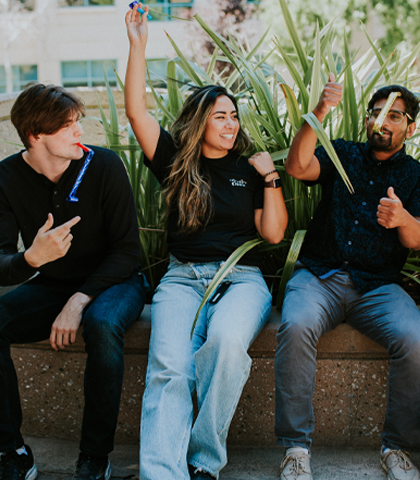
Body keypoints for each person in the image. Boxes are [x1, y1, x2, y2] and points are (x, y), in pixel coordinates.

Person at [123, 6, 288, 479]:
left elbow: (274, 234)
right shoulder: (175, 161)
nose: (231, 124)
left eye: (234, 116)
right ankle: (162, 474)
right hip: (182, 279)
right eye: (221, 116)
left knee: (227, 345)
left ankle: (204, 461)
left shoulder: (246, 170)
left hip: (241, 280)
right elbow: (136, 110)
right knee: (170, 369)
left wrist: (270, 175)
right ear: (199, 121)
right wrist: (139, 46)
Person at [0, 83, 148, 480]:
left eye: (77, 122)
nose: (79, 132)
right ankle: (13, 452)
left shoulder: (103, 165)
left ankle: (94, 457)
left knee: (101, 325)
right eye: (67, 126)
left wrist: (79, 300)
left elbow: (127, 250)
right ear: (35, 135)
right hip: (52, 284)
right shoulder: (1, 180)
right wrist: (32, 257)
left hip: (115, 282)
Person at [278, 79, 420, 480]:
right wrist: (316, 115)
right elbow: (297, 166)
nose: (382, 121)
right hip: (319, 276)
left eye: (394, 115)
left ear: (411, 127)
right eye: (376, 112)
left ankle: (397, 448)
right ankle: (295, 449)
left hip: (378, 287)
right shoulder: (343, 153)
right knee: (296, 326)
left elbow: (419, 239)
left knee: (417, 343)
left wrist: (402, 219)